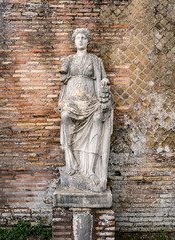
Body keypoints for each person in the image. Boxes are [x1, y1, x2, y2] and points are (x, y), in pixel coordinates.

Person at [59, 28, 113, 192]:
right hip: (72, 99)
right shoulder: (68, 60)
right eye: (78, 38)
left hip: (91, 99)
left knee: (97, 119)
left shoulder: (96, 60)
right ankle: (72, 160)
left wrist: (104, 86)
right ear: (74, 41)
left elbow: (102, 79)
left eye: (84, 37)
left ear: (88, 41)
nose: (81, 40)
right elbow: (63, 80)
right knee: (65, 116)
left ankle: (90, 170)